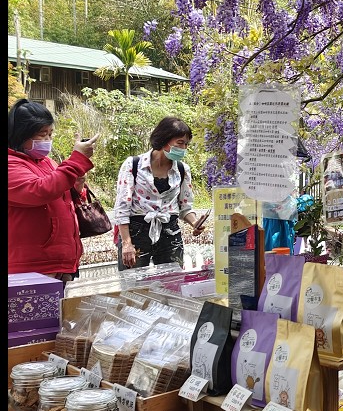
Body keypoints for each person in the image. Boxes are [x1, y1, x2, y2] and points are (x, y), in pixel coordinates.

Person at [8, 99, 98, 281]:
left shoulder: (47, 162)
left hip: (59, 261)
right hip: (32, 267)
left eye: (50, 134)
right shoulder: (11, 164)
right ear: (20, 134)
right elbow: (40, 191)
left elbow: (58, 195)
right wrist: (77, 160)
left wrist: (76, 187)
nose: (48, 140)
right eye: (42, 134)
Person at [114, 116, 204, 270]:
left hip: (169, 233)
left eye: (186, 144)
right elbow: (122, 208)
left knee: (172, 284)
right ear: (164, 140)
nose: (183, 149)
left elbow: (185, 207)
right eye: (180, 143)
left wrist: (195, 223)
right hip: (137, 232)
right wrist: (127, 243)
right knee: (133, 285)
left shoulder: (182, 170)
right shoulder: (133, 165)